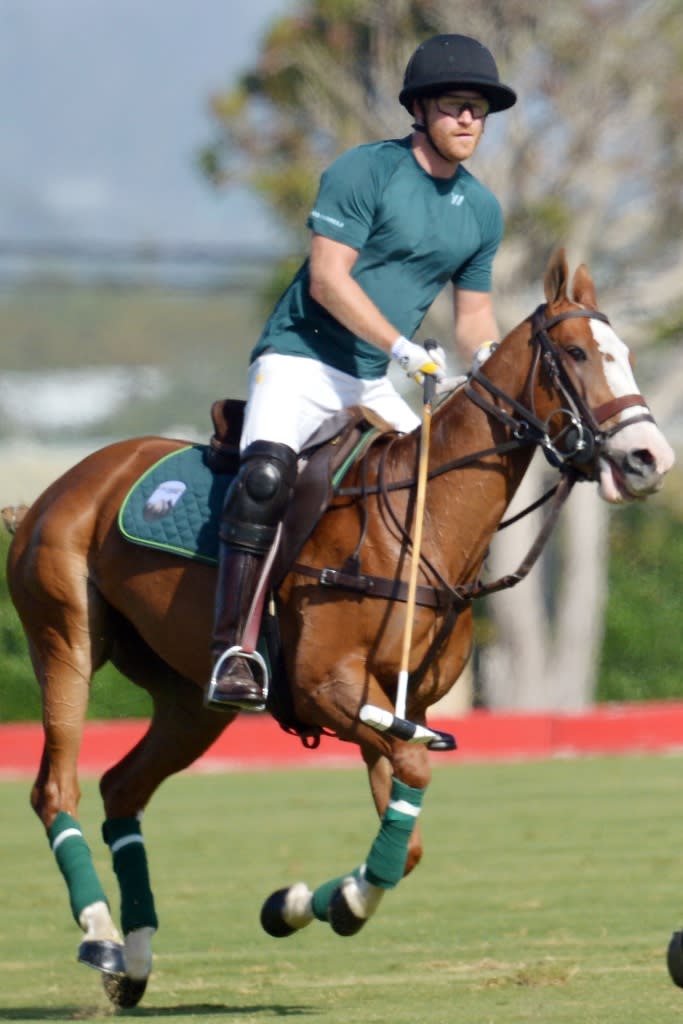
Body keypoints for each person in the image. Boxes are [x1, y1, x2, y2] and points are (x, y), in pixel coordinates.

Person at [205, 32, 517, 711]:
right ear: (421, 109)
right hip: (298, 359)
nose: (468, 120)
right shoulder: (364, 171)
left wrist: (488, 362)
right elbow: (326, 280)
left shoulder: (482, 211)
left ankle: (406, 644)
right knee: (263, 479)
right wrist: (403, 348)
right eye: (455, 106)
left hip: (370, 376)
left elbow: (473, 316)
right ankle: (235, 647)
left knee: (442, 491)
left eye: (479, 109)